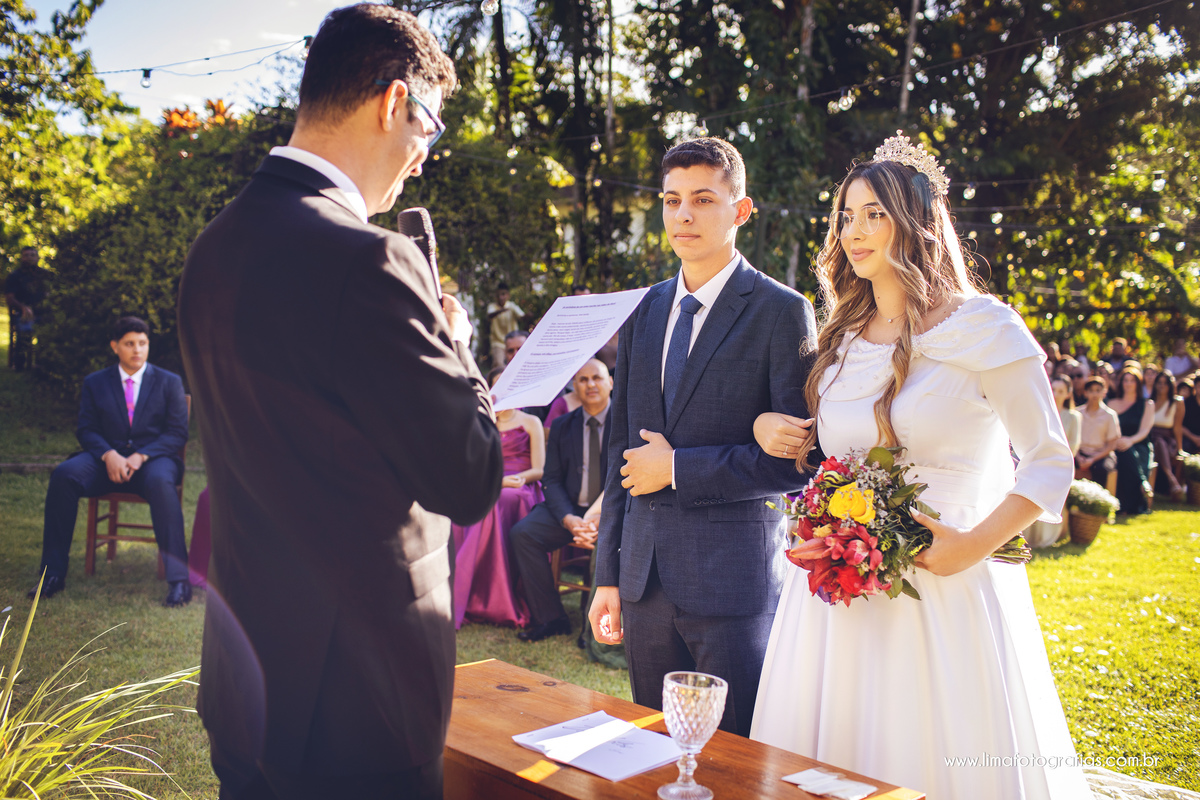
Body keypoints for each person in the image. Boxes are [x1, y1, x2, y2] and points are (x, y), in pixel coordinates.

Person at [177, 7, 504, 799]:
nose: (423, 158)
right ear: (394, 103)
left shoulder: (214, 245)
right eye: (429, 125)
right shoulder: (374, 264)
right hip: (359, 705)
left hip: (247, 679)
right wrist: (456, 343)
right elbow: (468, 479)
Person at [748, 134, 1086, 798]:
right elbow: (831, 456)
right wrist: (771, 431)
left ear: (918, 222)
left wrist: (972, 547)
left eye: (874, 213)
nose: (855, 230)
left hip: (944, 588)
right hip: (834, 605)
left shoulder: (987, 328)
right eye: (846, 215)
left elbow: (1050, 462)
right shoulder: (840, 340)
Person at [588, 137, 816, 737]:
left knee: (732, 757)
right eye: (671, 200)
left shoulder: (781, 312)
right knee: (653, 751)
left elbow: (798, 464)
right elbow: (619, 454)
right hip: (642, 580)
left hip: (730, 583)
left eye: (703, 199)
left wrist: (681, 469)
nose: (683, 214)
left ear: (741, 210)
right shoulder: (643, 310)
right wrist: (607, 577)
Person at [29, 316, 190, 606]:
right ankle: (51, 574)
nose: (137, 350)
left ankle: (179, 581)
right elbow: (87, 429)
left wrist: (141, 456)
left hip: (152, 461)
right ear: (115, 346)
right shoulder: (96, 383)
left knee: (161, 482)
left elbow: (177, 433)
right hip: (106, 460)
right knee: (64, 475)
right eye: (129, 344)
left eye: (142, 343)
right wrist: (109, 455)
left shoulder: (169, 382)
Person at [510, 358, 612, 642]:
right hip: (567, 508)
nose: (590, 384)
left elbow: (624, 480)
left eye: (597, 378)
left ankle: (592, 629)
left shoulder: (628, 424)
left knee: (614, 540)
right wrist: (569, 519)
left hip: (611, 510)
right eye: (582, 379)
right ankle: (551, 618)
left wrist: (597, 518)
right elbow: (551, 480)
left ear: (610, 383)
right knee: (523, 533)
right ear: (574, 387)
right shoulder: (562, 425)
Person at [452, 367, 545, 628]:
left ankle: (499, 597)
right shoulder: (480, 422)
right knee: (466, 503)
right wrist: (495, 481)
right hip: (490, 480)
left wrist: (519, 479)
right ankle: (468, 593)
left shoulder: (530, 422)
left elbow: (539, 469)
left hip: (521, 484)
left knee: (503, 500)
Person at [1027, 376, 1082, 547]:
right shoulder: (1041, 412)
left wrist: (1054, 462)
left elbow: (1073, 445)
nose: (1056, 394)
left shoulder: (1073, 417)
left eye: (1061, 391)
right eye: (1054, 389)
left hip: (1060, 465)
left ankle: (1048, 535)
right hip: (1036, 462)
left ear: (1068, 394)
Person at [1108, 367, 1156, 515]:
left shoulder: (1147, 404)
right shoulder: (1111, 403)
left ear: (1138, 383)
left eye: (1132, 381)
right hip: (1115, 444)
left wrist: (1130, 441)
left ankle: (1127, 504)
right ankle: (1142, 484)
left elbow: (1145, 430)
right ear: (1121, 383)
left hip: (1139, 444)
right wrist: (1117, 441)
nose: (1128, 384)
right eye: (1125, 380)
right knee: (1122, 454)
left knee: (1127, 453)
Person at [5, 245, 50, 371]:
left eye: (32, 255)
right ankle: (19, 364)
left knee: (50, 330)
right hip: (23, 313)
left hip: (42, 313)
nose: (29, 258)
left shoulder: (45, 275)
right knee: (25, 329)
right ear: (21, 258)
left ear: (37, 258)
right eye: (26, 255)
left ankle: (42, 364)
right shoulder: (15, 276)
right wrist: (23, 308)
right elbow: (9, 298)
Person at [1076, 377, 1121, 495]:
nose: (1094, 394)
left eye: (1098, 390)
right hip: (1079, 453)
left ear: (1104, 392)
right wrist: (1078, 456)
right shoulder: (1077, 413)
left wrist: (1092, 459)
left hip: (1101, 455)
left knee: (1101, 469)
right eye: (1091, 391)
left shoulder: (1109, 415)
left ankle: (1098, 503)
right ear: (1085, 393)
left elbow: (1111, 445)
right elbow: (1071, 439)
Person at [1149, 370, 1186, 502]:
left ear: (1171, 385)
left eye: (1165, 383)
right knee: (1157, 442)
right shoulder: (1150, 401)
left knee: (1160, 443)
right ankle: (1172, 480)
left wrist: (1180, 448)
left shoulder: (1177, 402)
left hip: (1167, 438)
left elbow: (1177, 427)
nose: (1162, 386)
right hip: (1150, 436)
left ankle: (1171, 479)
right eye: (1159, 383)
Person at [488, 283, 524, 368]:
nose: (501, 297)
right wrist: (502, 310)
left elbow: (521, 316)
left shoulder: (512, 306)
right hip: (498, 342)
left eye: (503, 294)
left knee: (516, 364)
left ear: (508, 295)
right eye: (498, 295)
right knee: (498, 364)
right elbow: (489, 315)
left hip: (512, 342)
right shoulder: (492, 307)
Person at [1180, 378, 1200, 455]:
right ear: (1195, 387)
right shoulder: (1186, 403)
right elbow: (1179, 425)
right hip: (1189, 439)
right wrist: (1194, 438)